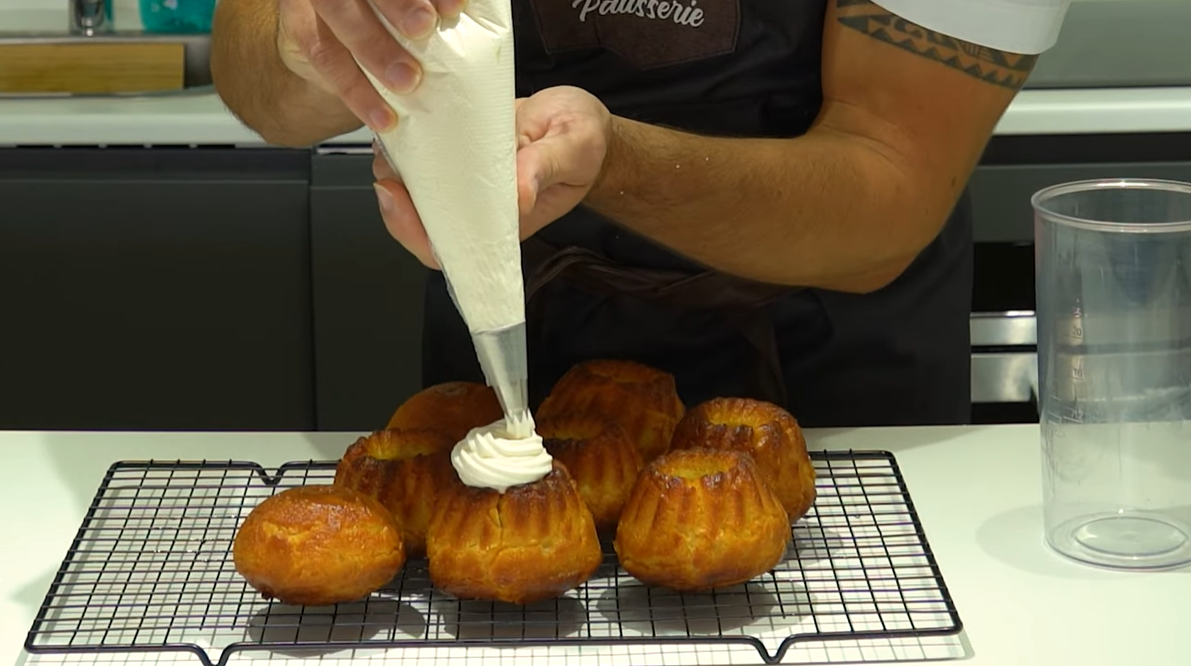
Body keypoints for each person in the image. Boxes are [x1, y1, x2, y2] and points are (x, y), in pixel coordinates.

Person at [210, 0, 1072, 428]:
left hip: (827, 403)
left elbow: (886, 187)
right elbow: (259, 91)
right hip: (501, 365)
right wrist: (317, 42)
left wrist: (611, 161)